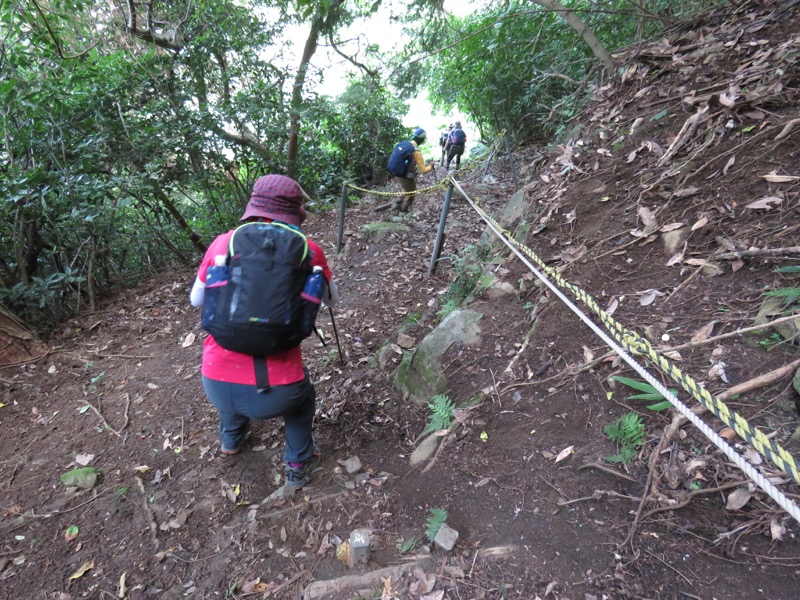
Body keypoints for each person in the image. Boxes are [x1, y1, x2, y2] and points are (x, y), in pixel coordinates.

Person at [189, 174, 340, 491]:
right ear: (294, 211)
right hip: (280, 393)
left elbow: (196, 300)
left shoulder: (224, 243)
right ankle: (297, 469)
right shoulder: (308, 250)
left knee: (230, 391)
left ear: (254, 205)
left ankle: (231, 439)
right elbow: (331, 299)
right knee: (303, 402)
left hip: (215, 381)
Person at [393, 127, 435, 213]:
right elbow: (423, 170)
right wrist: (431, 166)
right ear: (421, 140)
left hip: (397, 171)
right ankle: (403, 210)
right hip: (405, 174)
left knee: (407, 188)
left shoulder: (405, 144)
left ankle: (398, 201)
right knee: (411, 193)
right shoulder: (416, 152)